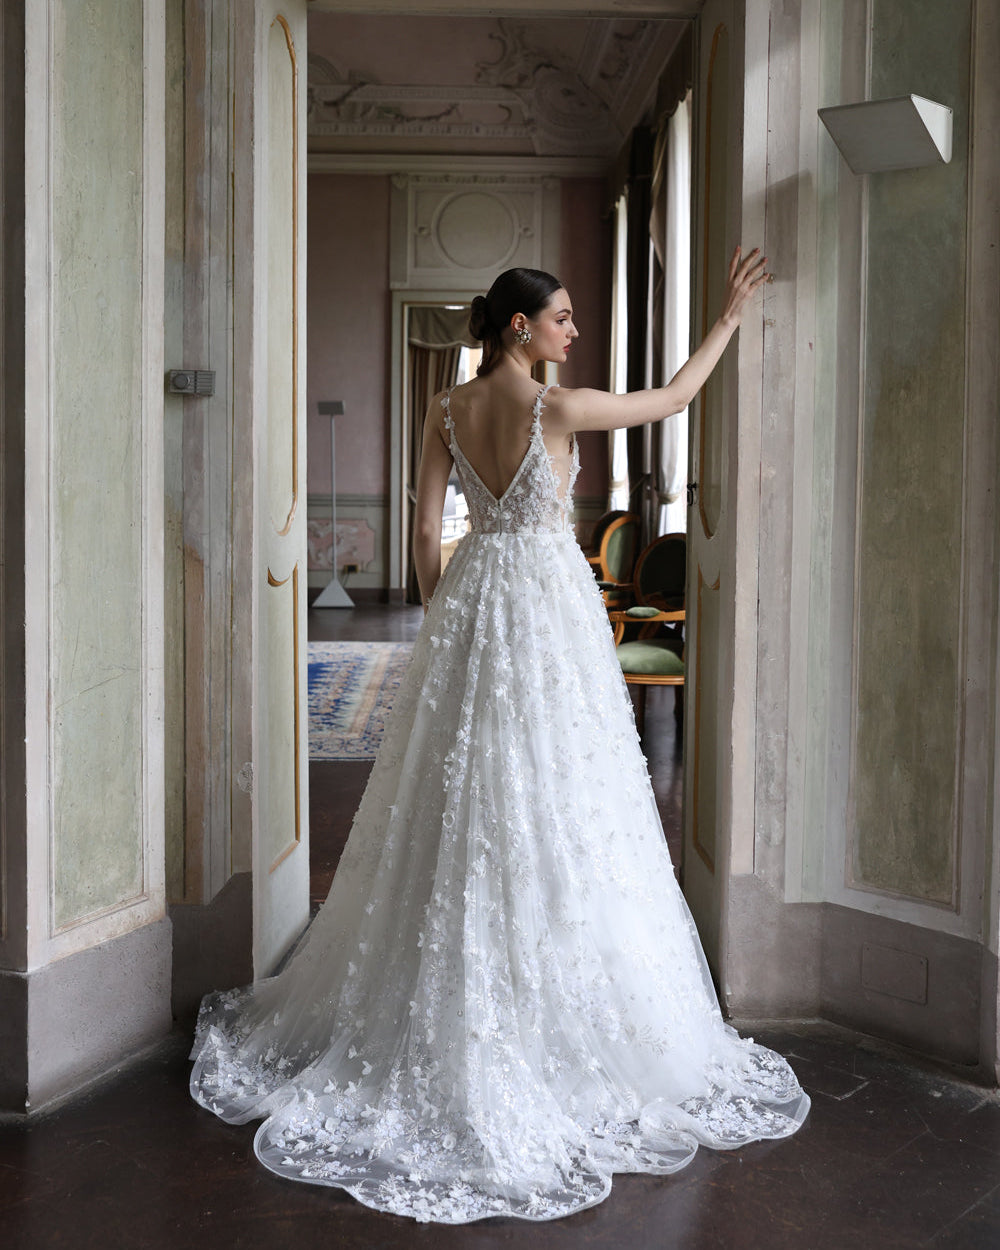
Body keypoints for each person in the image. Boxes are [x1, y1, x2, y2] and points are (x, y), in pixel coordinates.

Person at [190, 248, 809, 1225]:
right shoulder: (551, 406)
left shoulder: (446, 404)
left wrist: (440, 605)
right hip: (547, 609)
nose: (572, 330)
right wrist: (729, 314)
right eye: (560, 317)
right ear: (519, 328)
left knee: (459, 785)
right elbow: (671, 396)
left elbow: (417, 515)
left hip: (479, 600)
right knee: (563, 791)